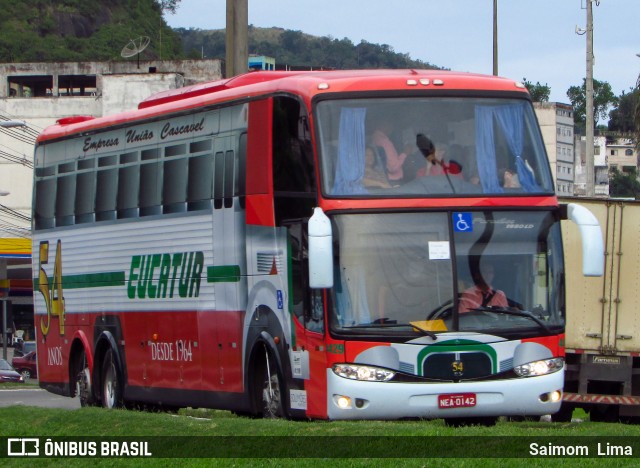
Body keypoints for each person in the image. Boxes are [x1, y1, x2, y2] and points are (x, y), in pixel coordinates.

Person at [371, 120, 410, 184]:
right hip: (393, 181)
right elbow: (394, 166)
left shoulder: (373, 138)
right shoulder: (385, 142)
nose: (392, 128)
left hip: (382, 178)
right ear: (385, 125)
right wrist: (405, 153)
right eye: (391, 125)